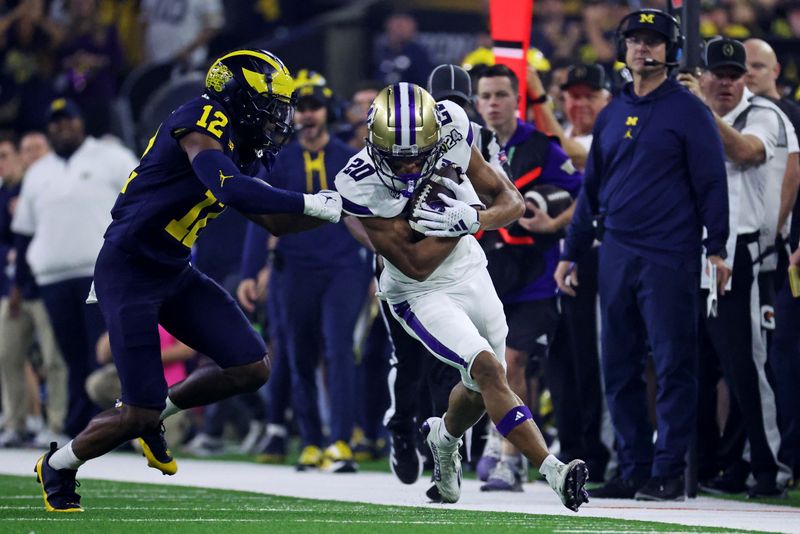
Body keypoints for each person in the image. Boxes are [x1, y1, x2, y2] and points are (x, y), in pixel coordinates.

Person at [33, 49, 342, 512]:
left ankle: (156, 414)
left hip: (173, 269)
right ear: (238, 95)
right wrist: (315, 203)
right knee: (136, 410)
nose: (281, 114)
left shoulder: (248, 145)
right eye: (271, 101)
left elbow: (275, 222)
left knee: (250, 366)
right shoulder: (200, 116)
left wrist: (342, 212)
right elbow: (229, 187)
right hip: (130, 269)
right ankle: (58, 464)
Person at [334, 82, 588, 511]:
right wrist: (462, 223)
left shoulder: (451, 127)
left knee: (481, 384)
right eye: (401, 156)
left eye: (419, 153)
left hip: (471, 270)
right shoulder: (357, 182)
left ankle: (444, 440)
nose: (412, 165)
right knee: (489, 368)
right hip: (416, 291)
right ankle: (554, 470)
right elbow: (415, 264)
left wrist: (475, 216)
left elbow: (512, 201)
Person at [556, 9, 730, 501]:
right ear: (623, 47)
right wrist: (570, 252)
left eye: (653, 41)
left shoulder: (689, 110)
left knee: (674, 362)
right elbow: (591, 189)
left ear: (671, 51)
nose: (642, 49)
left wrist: (715, 247)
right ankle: (633, 465)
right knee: (618, 364)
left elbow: (712, 182)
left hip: (669, 252)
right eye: (634, 40)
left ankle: (669, 468)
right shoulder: (612, 112)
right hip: (615, 251)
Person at [678, 37, 794, 497]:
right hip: (696, 252)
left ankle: (770, 469)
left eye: (734, 74)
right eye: (717, 73)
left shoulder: (765, 115)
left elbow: (746, 152)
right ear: (703, 74)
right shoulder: (689, 111)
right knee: (697, 368)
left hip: (745, 254)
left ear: (746, 77)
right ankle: (711, 464)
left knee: (747, 366)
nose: (725, 82)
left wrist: (697, 109)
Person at [239, 79, 372, 473]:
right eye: (300, 108)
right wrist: (250, 270)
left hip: (344, 265)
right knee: (298, 353)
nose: (307, 115)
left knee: (339, 349)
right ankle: (312, 442)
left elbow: (370, 212)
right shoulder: (277, 160)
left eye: (314, 107)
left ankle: (342, 442)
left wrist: (378, 263)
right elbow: (255, 214)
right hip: (293, 266)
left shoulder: (351, 158)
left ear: (327, 111)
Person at [472, 64, 583, 492]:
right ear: (477, 102)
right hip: (484, 270)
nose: (494, 103)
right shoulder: (464, 147)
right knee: (487, 364)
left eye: (501, 94)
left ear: (516, 99)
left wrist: (554, 224)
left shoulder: (541, 145)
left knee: (514, 362)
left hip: (535, 272)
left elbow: (582, 191)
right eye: (487, 96)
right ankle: (491, 440)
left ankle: (507, 457)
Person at [12, 98, 138, 440]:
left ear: (81, 123)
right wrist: (21, 284)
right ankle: (82, 426)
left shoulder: (111, 157)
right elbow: (24, 232)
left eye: (67, 120)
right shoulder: (38, 172)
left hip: (101, 273)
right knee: (69, 356)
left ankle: (118, 425)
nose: (61, 127)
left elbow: (141, 202)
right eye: (54, 122)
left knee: (105, 352)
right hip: (53, 278)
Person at [743, 37, 800, 484]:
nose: (748, 75)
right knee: (759, 360)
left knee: (783, 358)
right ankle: (749, 454)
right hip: (752, 258)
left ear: (776, 69)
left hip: (783, 257)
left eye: (757, 67)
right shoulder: (736, 117)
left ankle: (786, 459)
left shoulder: (790, 118)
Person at [0, 133, 68, 449]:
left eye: (36, 148)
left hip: (47, 285)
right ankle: (16, 422)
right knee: (7, 354)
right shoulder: (11, 192)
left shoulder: (55, 185)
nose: (31, 155)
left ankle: (57, 423)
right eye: (25, 150)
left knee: (55, 359)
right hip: (17, 288)